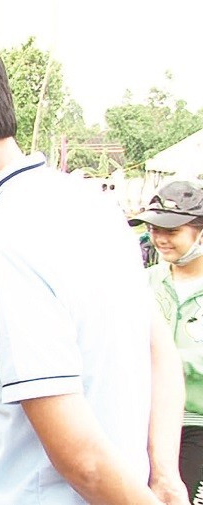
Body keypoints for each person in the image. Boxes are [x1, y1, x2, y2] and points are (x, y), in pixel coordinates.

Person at [0, 33, 188, 504]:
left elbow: (80, 458)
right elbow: (159, 349)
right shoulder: (92, 205)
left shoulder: (3, 249)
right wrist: (163, 473)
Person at [128, 180, 203, 502]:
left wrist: (169, 365)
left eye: (171, 231)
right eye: (154, 228)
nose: (159, 238)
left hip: (195, 424)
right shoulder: (144, 283)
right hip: (143, 421)